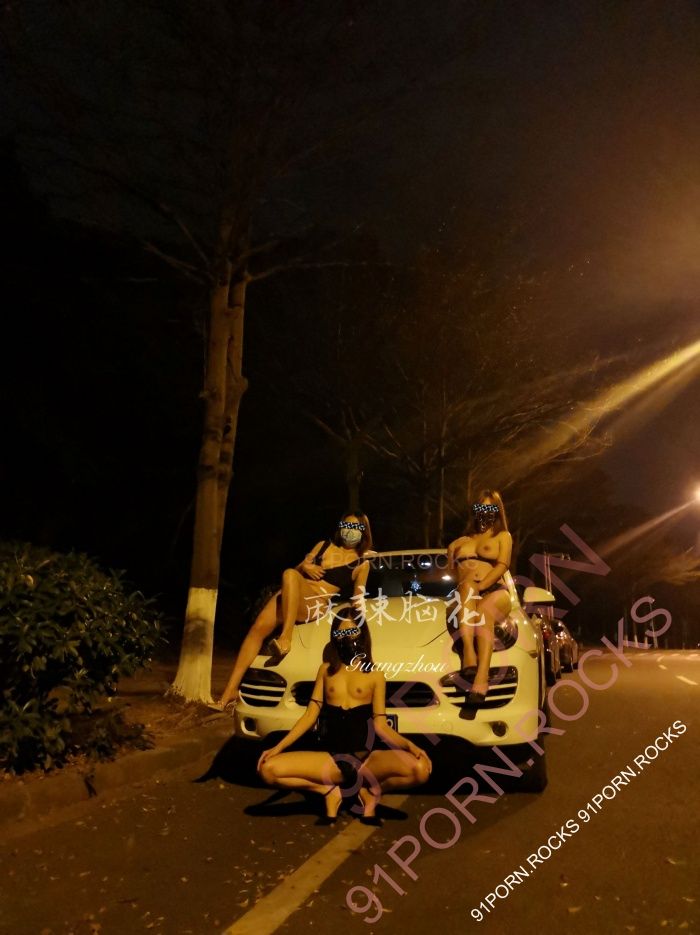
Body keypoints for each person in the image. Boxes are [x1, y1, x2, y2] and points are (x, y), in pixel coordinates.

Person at [257, 610, 432, 824]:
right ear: (335, 638)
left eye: (352, 632)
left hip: (367, 760)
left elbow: (381, 725)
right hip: (331, 760)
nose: (347, 638)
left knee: (420, 770)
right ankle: (328, 790)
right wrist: (278, 747)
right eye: (341, 633)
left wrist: (411, 746)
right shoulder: (326, 671)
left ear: (362, 635)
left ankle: (370, 792)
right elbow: (309, 716)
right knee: (268, 770)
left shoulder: (375, 675)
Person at [212, 511, 373, 711]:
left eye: (356, 527)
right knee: (257, 630)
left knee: (289, 574)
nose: (350, 531)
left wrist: (357, 620)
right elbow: (296, 573)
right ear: (341, 527)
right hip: (291, 595)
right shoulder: (322, 546)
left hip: (315, 603)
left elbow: (358, 596)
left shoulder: (362, 563)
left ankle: (285, 637)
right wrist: (305, 567)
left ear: (363, 531)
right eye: (347, 526)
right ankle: (229, 692)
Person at [442, 489, 513, 707]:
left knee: (483, 611)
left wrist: (481, 585)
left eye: (490, 508)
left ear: (498, 511)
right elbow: (452, 573)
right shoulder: (460, 541)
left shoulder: (503, 536)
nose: (485, 512)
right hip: (466, 594)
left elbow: (503, 565)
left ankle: (481, 678)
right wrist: (454, 557)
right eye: (481, 507)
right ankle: (469, 653)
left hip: (495, 591)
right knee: (466, 586)